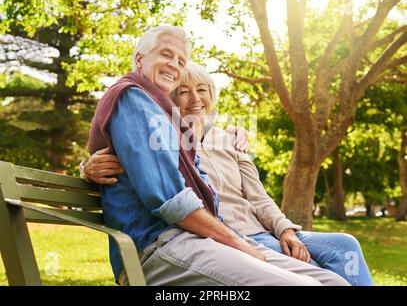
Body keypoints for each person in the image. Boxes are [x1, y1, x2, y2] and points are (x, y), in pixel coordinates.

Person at [87, 25, 350, 286]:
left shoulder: (177, 124)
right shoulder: (134, 97)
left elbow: (249, 195)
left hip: (201, 237)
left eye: (181, 60)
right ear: (140, 59)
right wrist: (237, 242)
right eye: (166, 54)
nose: (174, 65)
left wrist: (273, 232)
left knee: (333, 282)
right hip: (159, 245)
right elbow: (171, 201)